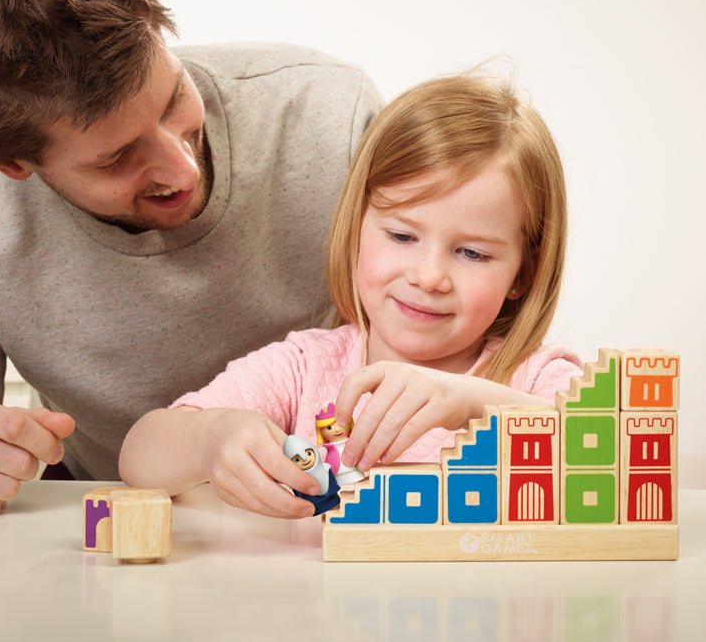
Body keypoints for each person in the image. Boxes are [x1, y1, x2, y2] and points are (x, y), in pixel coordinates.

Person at [0, 0, 384, 559]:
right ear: (14, 166)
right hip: (116, 533)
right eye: (116, 158)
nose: (182, 170)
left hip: (328, 524)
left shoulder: (329, 116)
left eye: (175, 98)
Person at [119, 69, 583, 518]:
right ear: (356, 227)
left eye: (471, 253)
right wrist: (209, 439)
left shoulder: (536, 379)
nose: (428, 276)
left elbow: (613, 459)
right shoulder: (304, 368)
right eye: (402, 237)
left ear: (524, 272)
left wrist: (475, 404)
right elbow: (141, 457)